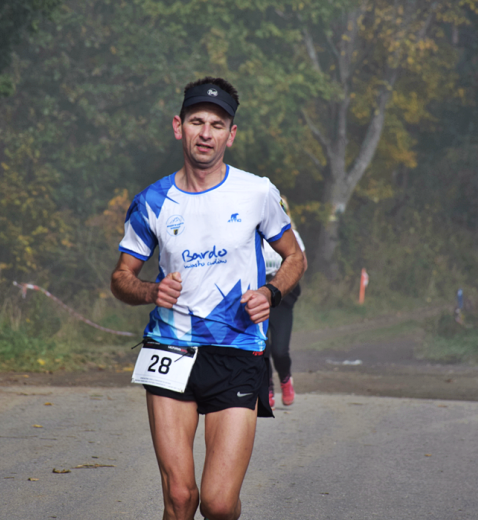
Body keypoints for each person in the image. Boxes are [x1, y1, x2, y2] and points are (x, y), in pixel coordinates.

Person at [110, 77, 305, 520]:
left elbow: (295, 257)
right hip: (170, 350)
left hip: (238, 352)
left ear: (231, 135)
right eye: (197, 121)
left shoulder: (257, 192)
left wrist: (271, 293)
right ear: (178, 126)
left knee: (218, 504)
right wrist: (148, 291)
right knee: (180, 499)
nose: (206, 133)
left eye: (217, 125)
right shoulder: (152, 201)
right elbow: (121, 277)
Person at [262, 198, 307, 408]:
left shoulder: (292, 235)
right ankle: (267, 386)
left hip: (282, 298)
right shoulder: (251, 235)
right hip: (257, 297)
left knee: (279, 350)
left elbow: (301, 265)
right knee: (261, 348)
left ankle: (286, 378)